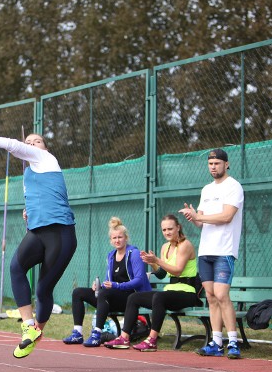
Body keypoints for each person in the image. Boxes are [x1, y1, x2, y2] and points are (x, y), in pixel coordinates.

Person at [0, 133, 77, 358]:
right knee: (15, 268)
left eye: (36, 141)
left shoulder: (46, 159)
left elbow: (11, 144)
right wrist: (29, 212)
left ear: (44, 148)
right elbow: (41, 196)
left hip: (61, 233)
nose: (30, 144)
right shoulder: (30, 173)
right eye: (28, 142)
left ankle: (38, 331)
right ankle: (29, 327)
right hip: (38, 232)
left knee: (42, 289)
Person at [178, 148, 244, 359]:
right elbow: (200, 223)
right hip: (206, 252)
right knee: (211, 296)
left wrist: (200, 217)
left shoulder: (234, 187)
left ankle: (233, 342)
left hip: (224, 250)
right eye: (210, 164)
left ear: (226, 164)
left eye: (217, 163)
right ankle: (216, 342)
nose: (213, 166)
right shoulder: (206, 190)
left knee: (222, 295)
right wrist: (193, 217)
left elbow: (226, 217)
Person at [104, 214, 200, 351]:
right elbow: (162, 274)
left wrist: (157, 261)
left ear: (178, 228)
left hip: (187, 293)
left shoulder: (185, 245)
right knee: (133, 298)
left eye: (170, 229)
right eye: (164, 230)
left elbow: (178, 271)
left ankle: (152, 340)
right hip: (170, 292)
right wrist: (153, 263)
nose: (167, 232)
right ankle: (124, 338)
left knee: (158, 296)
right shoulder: (165, 247)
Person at [62, 217, 151, 347]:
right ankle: (77, 333)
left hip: (131, 298)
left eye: (120, 237)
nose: (117, 240)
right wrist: (99, 285)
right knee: (78, 292)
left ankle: (97, 334)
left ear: (126, 238)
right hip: (113, 297)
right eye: (114, 238)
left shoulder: (134, 253)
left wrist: (116, 285)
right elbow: (108, 281)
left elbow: (139, 280)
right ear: (111, 240)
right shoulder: (111, 255)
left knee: (104, 293)